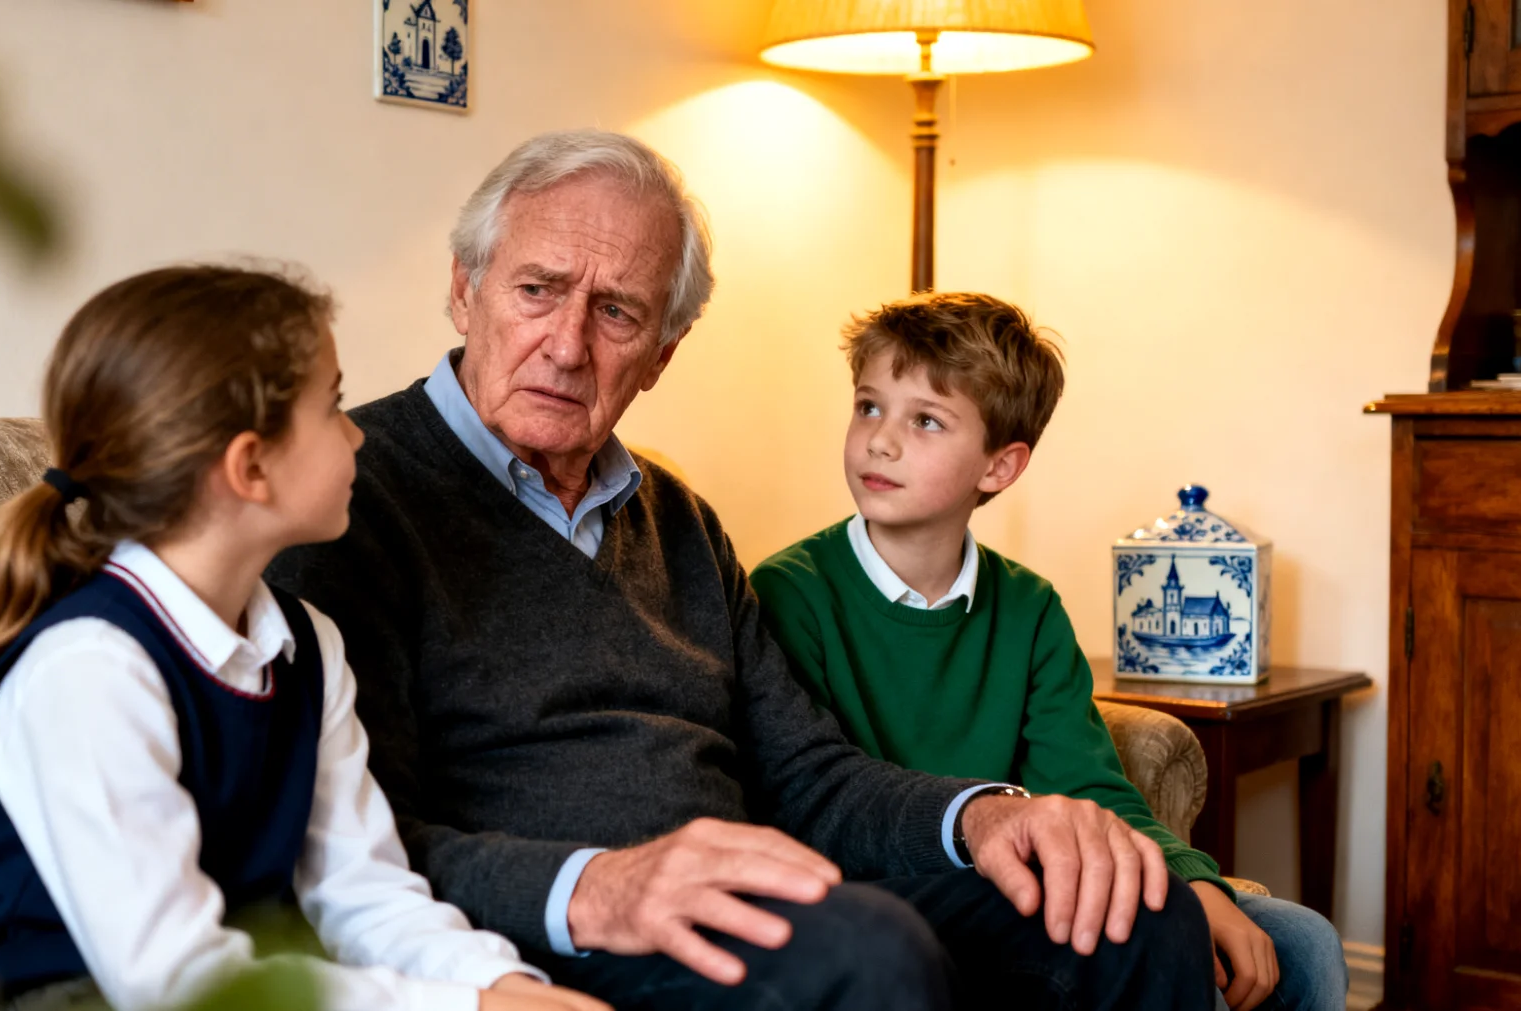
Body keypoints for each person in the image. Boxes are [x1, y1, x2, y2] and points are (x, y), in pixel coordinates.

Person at [269, 129, 1215, 1009]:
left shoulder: (678, 521)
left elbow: (809, 776)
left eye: (616, 311)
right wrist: (598, 885)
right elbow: (350, 841)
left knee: (1137, 919)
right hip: (546, 928)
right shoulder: (349, 497)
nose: (566, 345)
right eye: (537, 290)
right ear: (463, 289)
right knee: (865, 950)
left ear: (661, 354)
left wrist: (986, 816)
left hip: (735, 908)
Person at [0, 265, 608, 1011]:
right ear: (250, 465)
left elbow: (365, 893)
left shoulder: (306, 645)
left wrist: (501, 984)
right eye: (333, 406)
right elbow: (173, 981)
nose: (357, 433)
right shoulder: (90, 670)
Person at [748, 291, 1349, 1011]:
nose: (880, 441)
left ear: (999, 467)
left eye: (926, 420)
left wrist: (1198, 883)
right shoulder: (789, 593)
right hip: (895, 903)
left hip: (1030, 883)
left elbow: (1090, 787)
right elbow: (812, 798)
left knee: (1305, 943)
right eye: (869, 406)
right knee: (1166, 943)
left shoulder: (1029, 607)